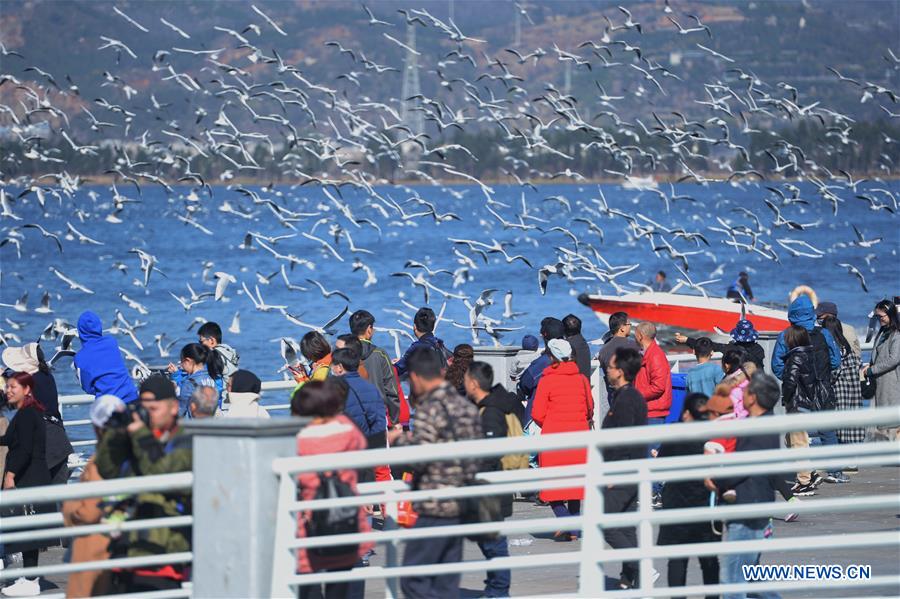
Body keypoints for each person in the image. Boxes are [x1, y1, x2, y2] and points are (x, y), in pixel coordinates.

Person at [388, 347, 481, 598]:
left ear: (416, 377)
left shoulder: (431, 408)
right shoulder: (464, 406)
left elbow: (421, 455)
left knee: (413, 579)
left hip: (435, 503)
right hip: (460, 503)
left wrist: (398, 441)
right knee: (446, 581)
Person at [94, 376, 192, 593]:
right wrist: (116, 434)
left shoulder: (185, 440)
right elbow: (107, 470)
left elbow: (160, 473)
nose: (147, 414)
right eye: (143, 407)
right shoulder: (136, 435)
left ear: (174, 407)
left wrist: (139, 433)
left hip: (162, 557)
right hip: (124, 552)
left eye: (154, 408)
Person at [290, 381, 372, 599]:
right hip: (347, 523)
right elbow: (361, 444)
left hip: (311, 527)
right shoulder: (347, 429)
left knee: (308, 585)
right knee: (343, 584)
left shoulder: (300, 440)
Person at [713, 373, 782, 599]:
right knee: (751, 575)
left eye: (747, 389)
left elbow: (741, 467)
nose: (742, 391)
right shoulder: (766, 424)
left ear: (752, 398)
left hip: (747, 506)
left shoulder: (755, 429)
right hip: (757, 503)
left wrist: (715, 481)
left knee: (733, 579)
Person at [464, 361, 522, 598]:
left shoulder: (491, 413)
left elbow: (490, 452)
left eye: (466, 380)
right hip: (494, 485)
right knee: (488, 538)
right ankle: (495, 587)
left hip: (490, 487)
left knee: (493, 541)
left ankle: (498, 591)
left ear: (475, 384)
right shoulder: (496, 404)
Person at [657, 393, 720, 599]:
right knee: (709, 562)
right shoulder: (713, 434)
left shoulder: (675, 433)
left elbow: (663, 464)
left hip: (677, 503)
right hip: (706, 506)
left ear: (686, 412)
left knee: (677, 560)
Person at [531, 339, 594, 541]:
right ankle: (573, 527)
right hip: (579, 436)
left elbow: (537, 413)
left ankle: (566, 521)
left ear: (553, 357)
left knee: (552, 486)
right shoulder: (582, 379)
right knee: (575, 485)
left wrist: (550, 423)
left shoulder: (546, 380)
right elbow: (589, 408)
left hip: (554, 438)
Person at [62, 395, 125, 598]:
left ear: (97, 426)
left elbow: (90, 511)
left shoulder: (101, 461)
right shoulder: (131, 453)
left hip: (95, 545)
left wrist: (70, 510)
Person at [0, 373, 52, 597]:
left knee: (29, 529)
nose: (8, 391)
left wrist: (10, 475)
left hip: (30, 477)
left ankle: (31, 581)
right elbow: (11, 440)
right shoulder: (25, 414)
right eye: (7, 387)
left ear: (27, 390)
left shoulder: (28, 415)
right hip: (31, 475)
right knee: (28, 529)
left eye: (13, 387)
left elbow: (24, 450)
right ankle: (30, 578)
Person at [601, 348, 648, 590]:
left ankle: (641, 567)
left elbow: (625, 441)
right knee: (627, 526)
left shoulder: (628, 399)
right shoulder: (624, 395)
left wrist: (613, 473)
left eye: (610, 367)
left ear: (620, 372)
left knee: (606, 523)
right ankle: (630, 578)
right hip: (629, 470)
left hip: (624, 472)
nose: (607, 370)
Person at [780, 325, 847, 486]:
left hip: (797, 401)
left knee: (797, 441)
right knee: (796, 438)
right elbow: (835, 361)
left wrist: (785, 397)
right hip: (814, 396)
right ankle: (818, 473)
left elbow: (790, 381)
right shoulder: (811, 352)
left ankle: (804, 481)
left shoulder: (795, 356)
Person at [2, 343, 71, 485]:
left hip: (45, 446)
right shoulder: (46, 375)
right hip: (59, 442)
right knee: (58, 497)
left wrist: (10, 476)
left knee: (37, 496)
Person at [771, 286, 841, 380]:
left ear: (791, 314)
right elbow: (835, 361)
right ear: (812, 313)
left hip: (795, 390)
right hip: (821, 388)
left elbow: (777, 365)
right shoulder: (824, 333)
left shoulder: (784, 336)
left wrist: (790, 379)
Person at [330, 347, 387, 461]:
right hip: (367, 450)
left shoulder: (334, 389)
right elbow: (380, 422)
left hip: (344, 450)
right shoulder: (371, 388)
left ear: (340, 367)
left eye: (333, 365)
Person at [349, 310, 403, 427]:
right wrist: (395, 420)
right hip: (377, 414)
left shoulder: (344, 354)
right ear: (369, 329)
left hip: (352, 416)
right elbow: (391, 390)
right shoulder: (380, 354)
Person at [74, 310, 138, 403]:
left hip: (109, 404)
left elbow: (87, 387)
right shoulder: (111, 341)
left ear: (80, 331)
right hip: (131, 397)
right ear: (99, 326)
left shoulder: (80, 357)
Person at [819, 316, 865, 445]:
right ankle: (852, 461)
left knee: (837, 430)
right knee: (852, 428)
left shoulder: (831, 351)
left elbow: (833, 374)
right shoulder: (849, 351)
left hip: (837, 396)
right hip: (853, 396)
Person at [863, 299, 900, 441]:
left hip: (892, 382)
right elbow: (877, 353)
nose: (879, 320)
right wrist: (870, 365)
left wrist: (872, 370)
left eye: (881, 316)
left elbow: (894, 359)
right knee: (885, 419)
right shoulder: (883, 332)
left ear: (890, 314)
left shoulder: (897, 334)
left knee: (893, 420)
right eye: (877, 317)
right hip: (881, 382)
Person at [518, 317, 565, 425]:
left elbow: (524, 384)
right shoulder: (572, 359)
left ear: (544, 335)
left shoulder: (543, 362)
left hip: (542, 420)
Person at [675, 319, 765, 371]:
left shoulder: (731, 349)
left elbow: (708, 345)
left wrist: (687, 340)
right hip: (757, 385)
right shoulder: (759, 350)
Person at [395, 307, 450, 378]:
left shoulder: (417, 347)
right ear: (432, 326)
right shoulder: (439, 344)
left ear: (414, 326)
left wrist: (391, 364)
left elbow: (397, 370)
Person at [634, 322, 672, 422]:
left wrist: (635, 395)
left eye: (635, 334)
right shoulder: (646, 353)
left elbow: (658, 387)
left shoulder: (655, 356)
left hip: (653, 413)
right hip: (646, 410)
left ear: (640, 336)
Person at [168, 343, 218, 417]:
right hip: (210, 421)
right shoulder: (211, 377)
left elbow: (180, 410)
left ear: (187, 361)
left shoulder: (189, 383)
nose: (181, 365)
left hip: (194, 424)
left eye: (182, 361)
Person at [597, 312, 641, 394]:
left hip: (613, 395)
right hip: (632, 392)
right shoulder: (635, 346)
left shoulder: (603, 350)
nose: (630, 327)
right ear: (622, 328)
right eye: (629, 324)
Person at [563, 314, 592, 380]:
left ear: (564, 330)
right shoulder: (582, 342)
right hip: (584, 385)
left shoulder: (568, 345)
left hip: (574, 385)